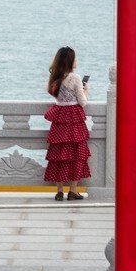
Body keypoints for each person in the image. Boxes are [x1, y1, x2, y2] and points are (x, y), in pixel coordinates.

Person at [44, 46, 91, 200]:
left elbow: (54, 95)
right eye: (75, 58)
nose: (76, 60)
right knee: (76, 155)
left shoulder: (54, 77)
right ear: (70, 60)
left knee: (59, 155)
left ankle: (59, 191)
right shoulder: (75, 78)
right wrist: (85, 91)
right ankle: (73, 190)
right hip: (73, 118)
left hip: (59, 117)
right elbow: (82, 102)